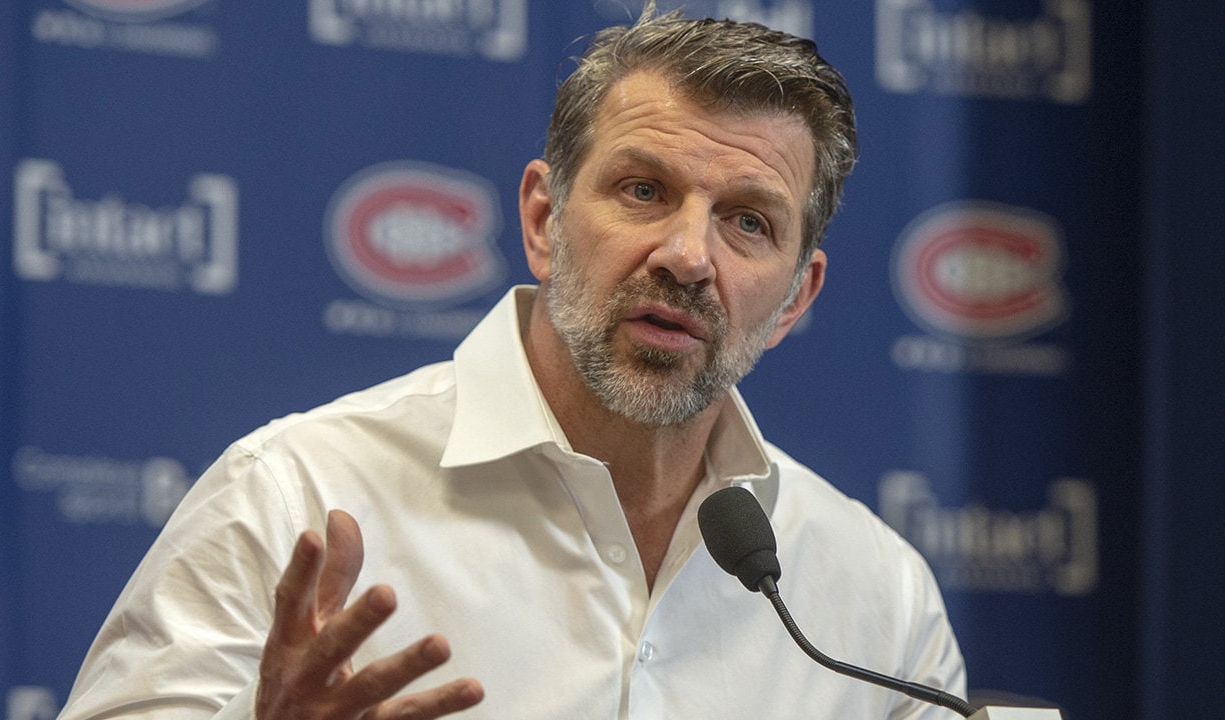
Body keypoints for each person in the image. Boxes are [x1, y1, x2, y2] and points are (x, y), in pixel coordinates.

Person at [58, 5, 966, 720]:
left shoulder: (876, 597)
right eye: (643, 190)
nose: (689, 255)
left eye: (749, 221)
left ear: (796, 298)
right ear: (542, 220)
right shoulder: (293, 495)